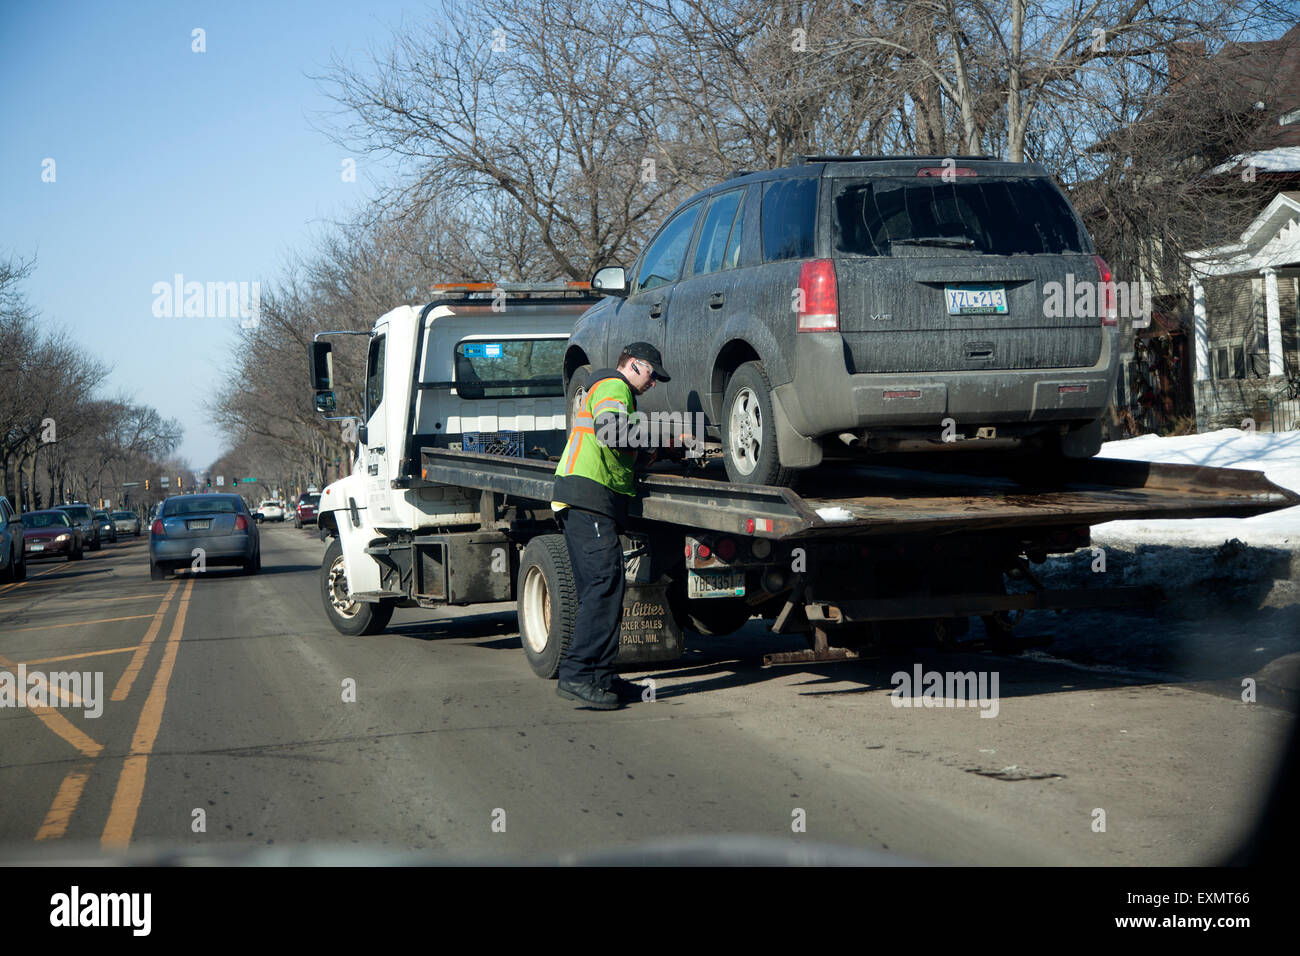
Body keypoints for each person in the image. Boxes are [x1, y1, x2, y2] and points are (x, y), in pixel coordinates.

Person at [550, 342, 674, 709]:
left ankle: (600, 676)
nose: (654, 384)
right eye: (652, 374)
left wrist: (656, 450)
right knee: (605, 585)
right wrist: (664, 431)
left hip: (589, 500)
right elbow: (611, 430)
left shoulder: (619, 394)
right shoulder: (612, 385)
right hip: (587, 498)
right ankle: (576, 674)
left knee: (604, 590)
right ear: (634, 365)